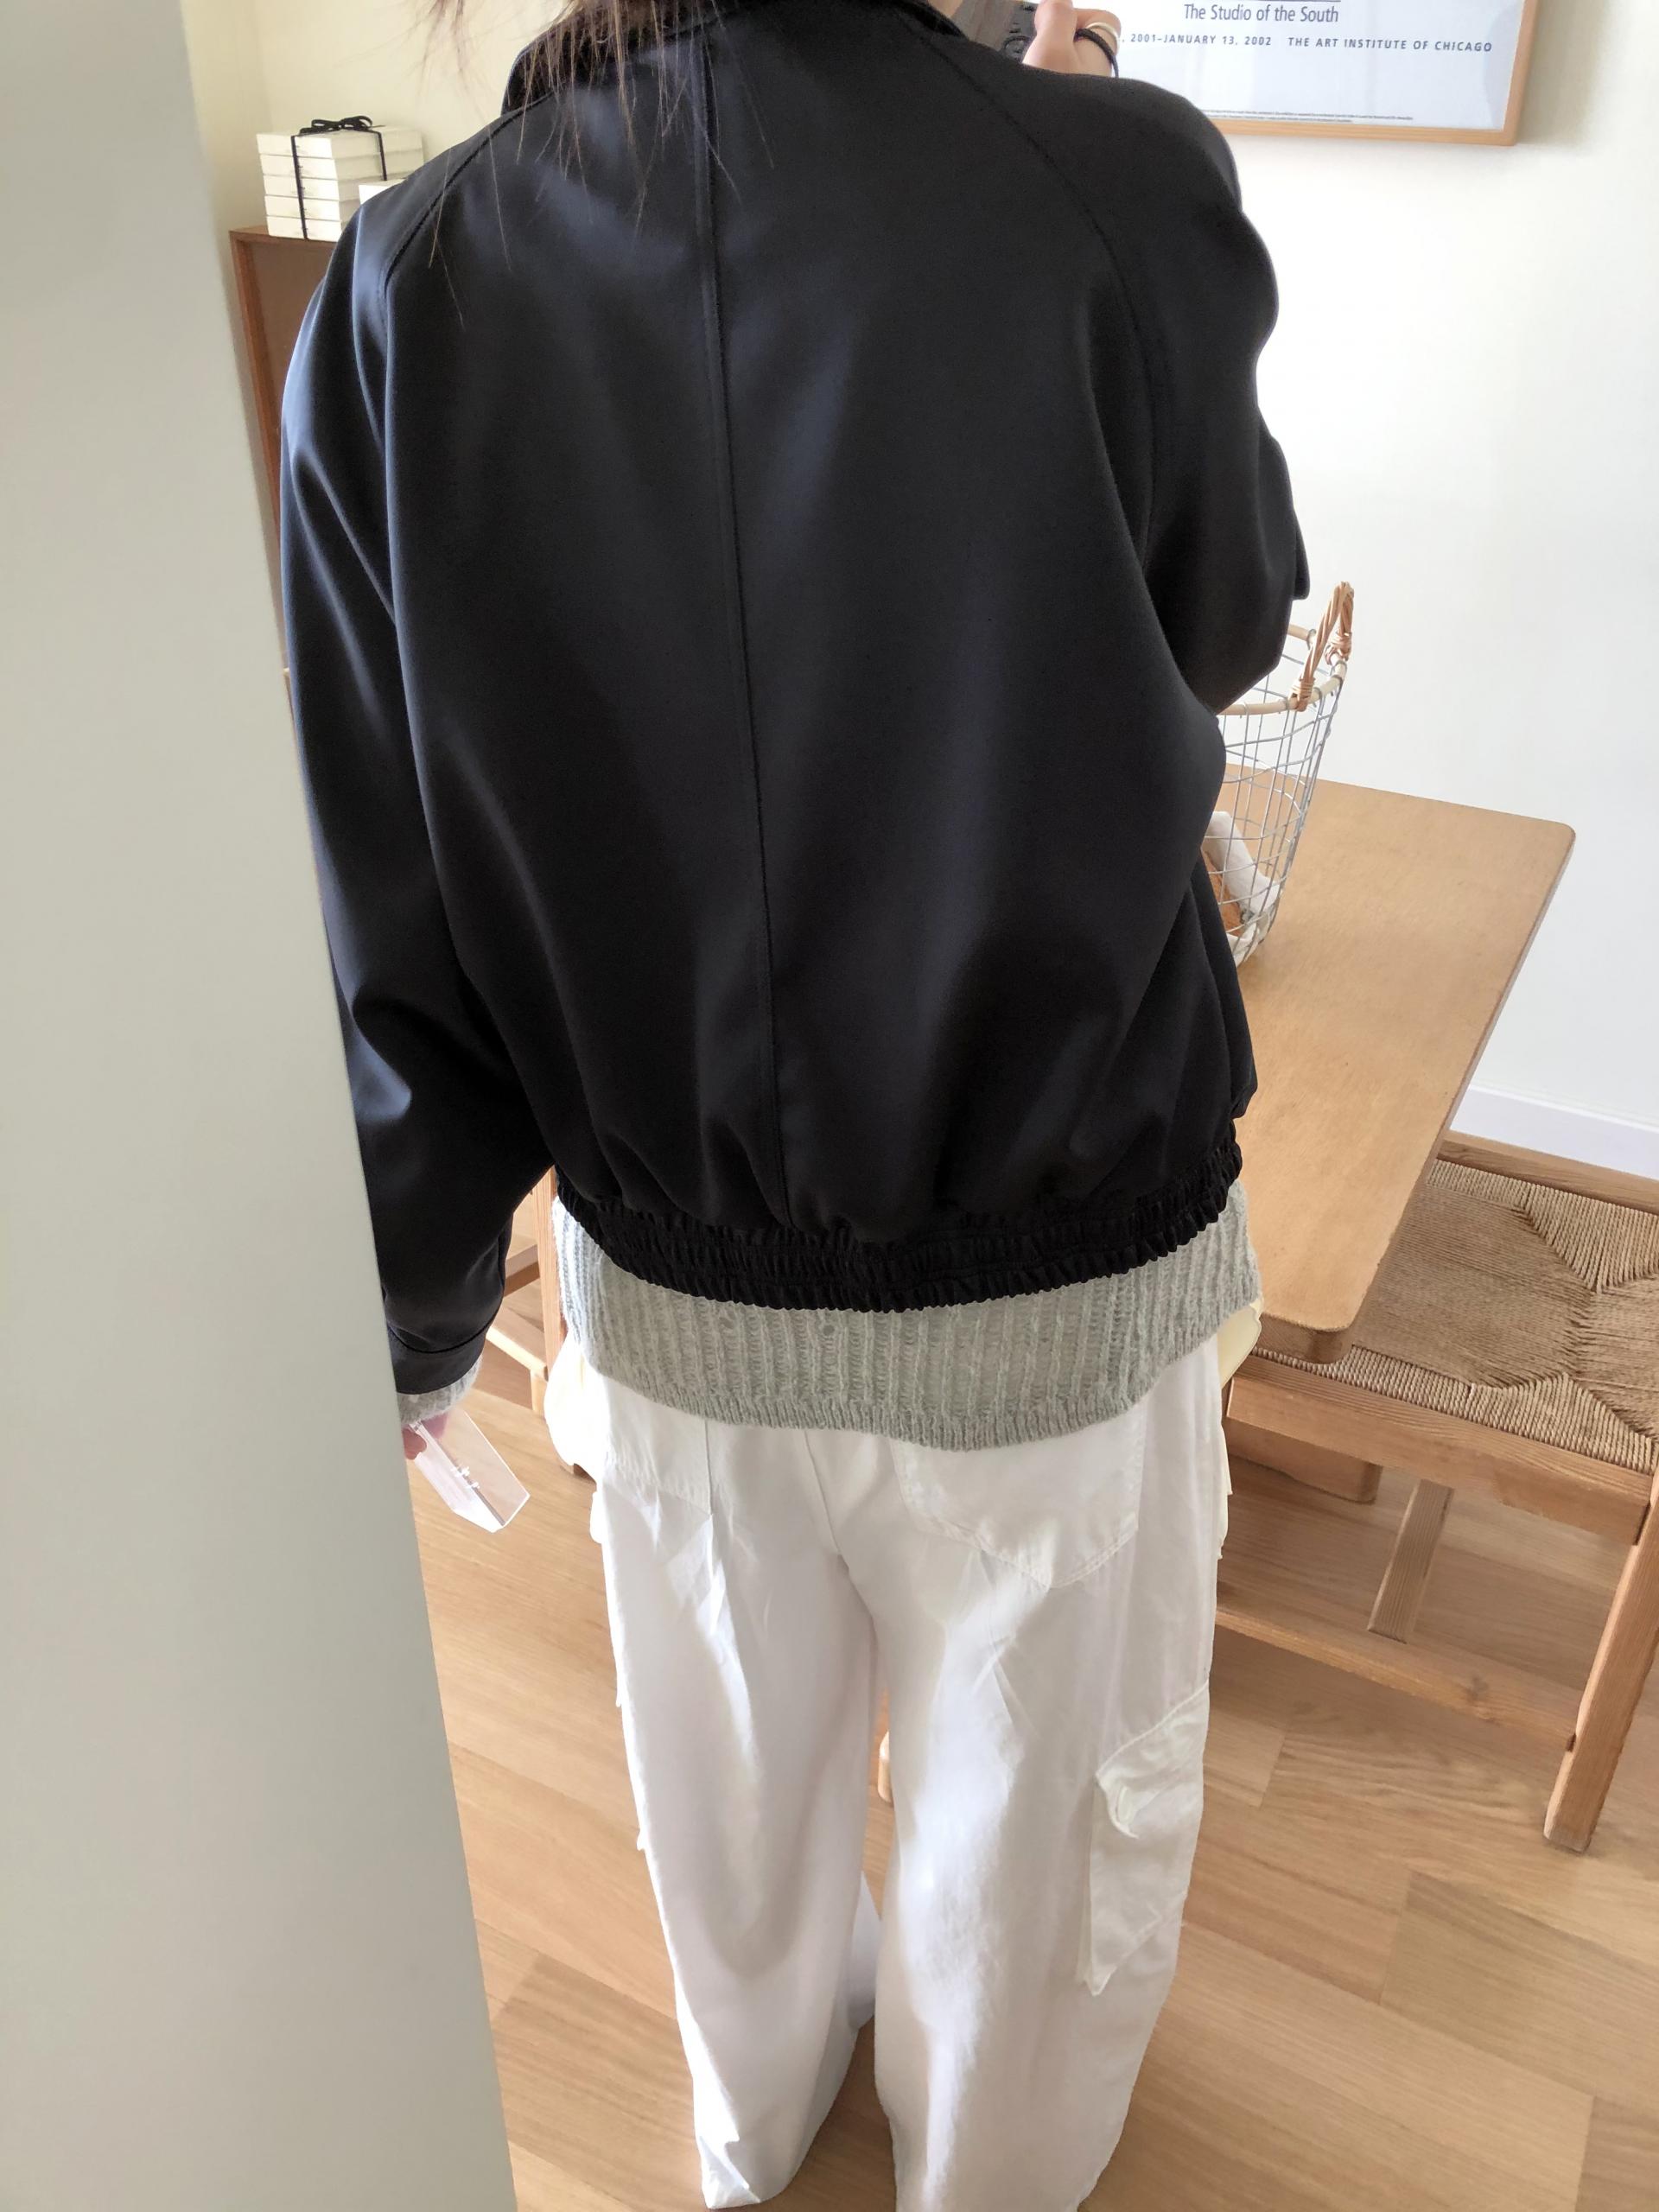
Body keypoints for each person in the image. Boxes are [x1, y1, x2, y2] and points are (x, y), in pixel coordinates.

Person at [282, 0, 1304, 2201]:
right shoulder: (1122, 184)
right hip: (1061, 1275)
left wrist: (411, 1310)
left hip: (669, 1290)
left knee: (728, 1809)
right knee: (1035, 1847)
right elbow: (1223, 618)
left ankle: (756, 2140)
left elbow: (395, 891)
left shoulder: (409, 278)